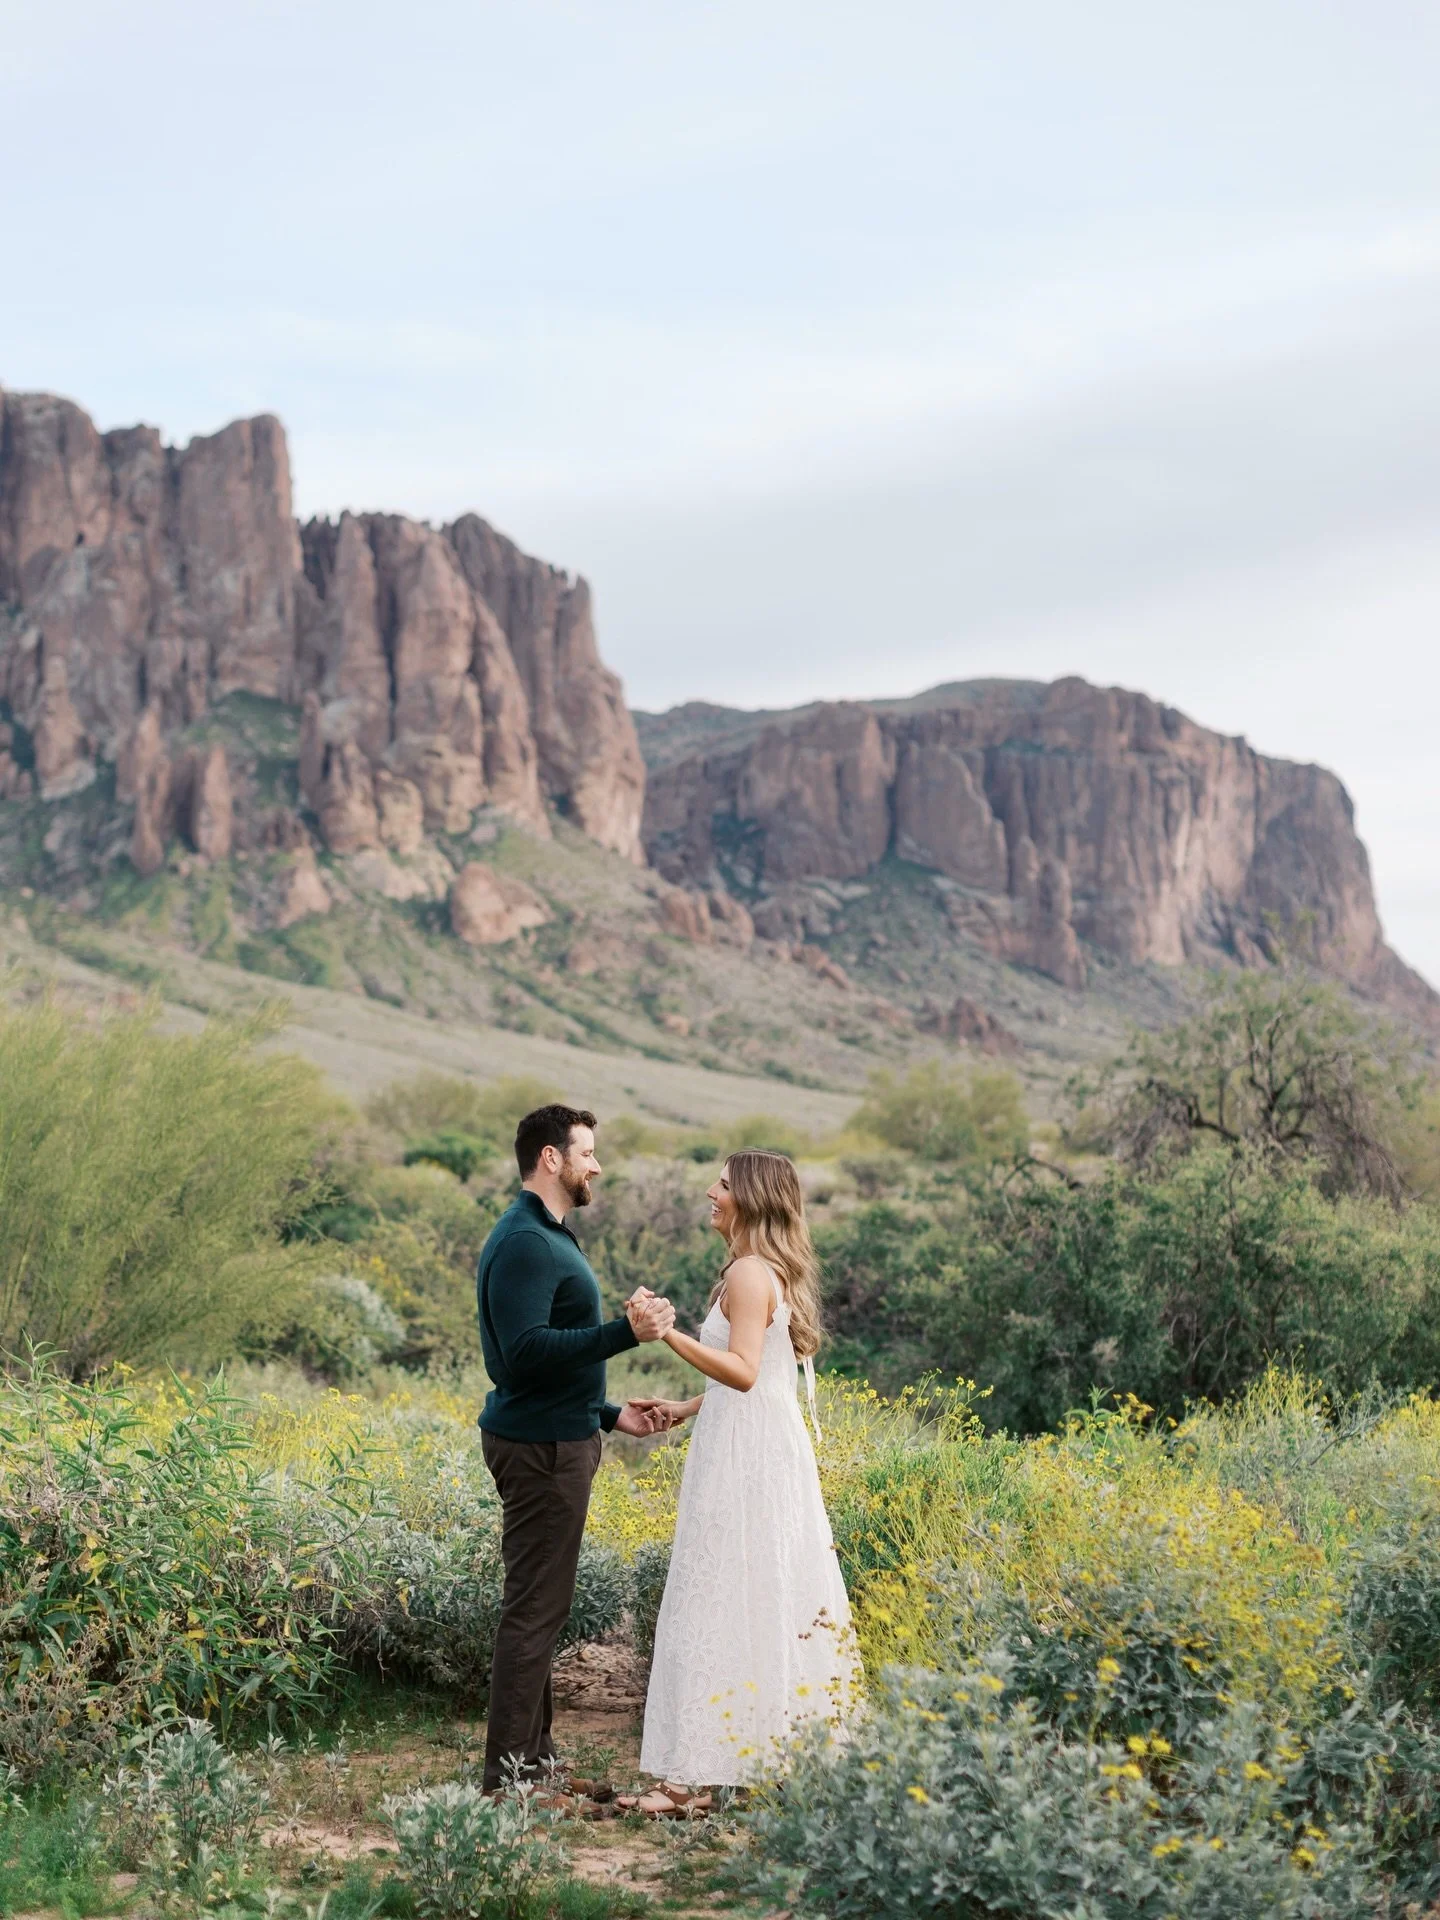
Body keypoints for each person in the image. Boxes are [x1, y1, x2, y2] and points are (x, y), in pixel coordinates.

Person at [631, 1147, 859, 1794]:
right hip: (756, 1440)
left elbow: (745, 1372)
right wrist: (686, 1407)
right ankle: (757, 1759)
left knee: (725, 1586)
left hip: (747, 1456)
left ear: (752, 1199)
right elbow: (763, 1380)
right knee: (755, 1587)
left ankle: (697, 1775)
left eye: (725, 1184)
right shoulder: (760, 1271)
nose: (712, 1192)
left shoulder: (749, 1273)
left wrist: (665, 1333)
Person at [476, 1102, 673, 1792]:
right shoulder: (527, 1242)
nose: (597, 1165)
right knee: (534, 1611)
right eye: (587, 1152)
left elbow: (545, 1362)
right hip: (541, 1450)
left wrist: (609, 1414)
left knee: (540, 1607)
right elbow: (524, 1355)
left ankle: (537, 1764)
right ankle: (510, 1785)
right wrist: (626, 1333)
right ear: (551, 1158)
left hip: (558, 1435)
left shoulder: (547, 1233)